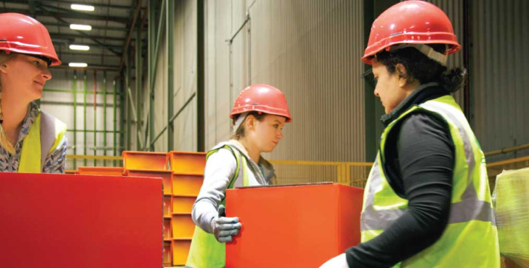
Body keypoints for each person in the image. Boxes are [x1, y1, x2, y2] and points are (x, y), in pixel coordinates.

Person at [321, 1, 499, 267]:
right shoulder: (448, 115)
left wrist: (351, 262)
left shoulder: (421, 123)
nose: (376, 90)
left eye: (378, 76)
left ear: (401, 73)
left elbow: (427, 215)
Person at [186, 84, 291, 268]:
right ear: (250, 122)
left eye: (281, 127)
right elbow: (202, 204)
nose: (280, 135)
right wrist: (214, 223)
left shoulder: (266, 172)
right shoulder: (227, 157)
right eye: (275, 125)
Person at [0, 13, 67, 173]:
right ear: (3, 64)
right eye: (36, 62)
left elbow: (50, 196)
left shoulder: (51, 133)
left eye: (47, 66)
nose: (48, 75)